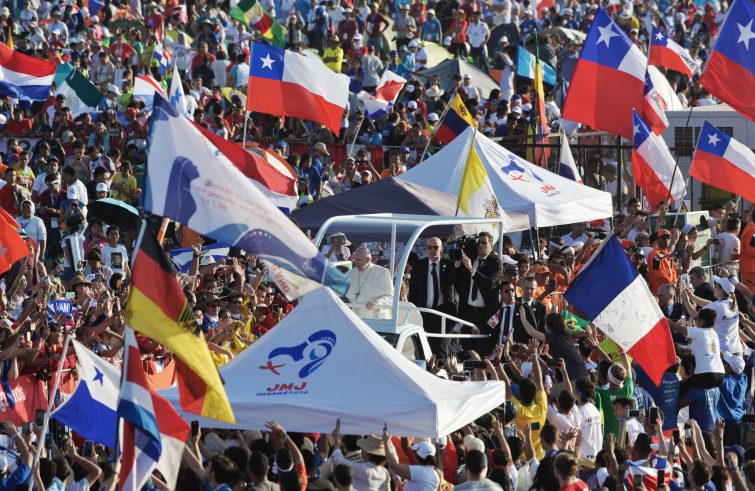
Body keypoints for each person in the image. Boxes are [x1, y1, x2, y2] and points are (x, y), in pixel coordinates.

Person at [407, 237, 457, 355]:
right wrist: (413, 311)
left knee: (441, 349)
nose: (432, 250)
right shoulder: (419, 266)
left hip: (443, 313)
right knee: (423, 349)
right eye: (429, 247)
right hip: (424, 313)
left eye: (435, 247)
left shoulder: (450, 265)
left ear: (441, 249)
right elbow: (413, 292)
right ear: (426, 249)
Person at [454, 232, 502, 352]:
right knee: (466, 348)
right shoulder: (470, 259)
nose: (480, 245)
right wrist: (457, 264)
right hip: (468, 311)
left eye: (484, 242)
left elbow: (490, 283)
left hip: (485, 313)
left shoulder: (495, 262)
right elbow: (456, 281)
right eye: (479, 242)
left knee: (483, 348)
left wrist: (472, 270)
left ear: (491, 246)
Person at [344, 247, 394, 318]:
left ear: (368, 259)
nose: (356, 263)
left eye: (358, 260)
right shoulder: (350, 273)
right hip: (357, 318)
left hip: (377, 319)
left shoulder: (382, 273)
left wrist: (377, 303)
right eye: (355, 260)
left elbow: (391, 297)